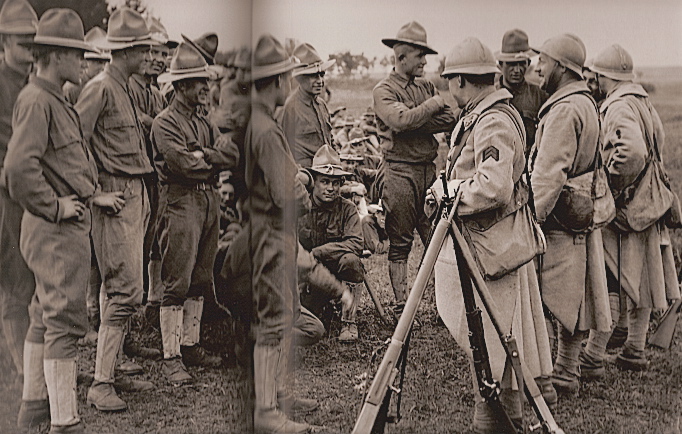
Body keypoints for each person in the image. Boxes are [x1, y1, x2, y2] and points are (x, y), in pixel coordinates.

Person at [5, 9, 124, 432]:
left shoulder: (51, 97)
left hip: (58, 229)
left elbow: (64, 162)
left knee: (44, 314)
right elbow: (18, 170)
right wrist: (56, 207)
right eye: (78, 55)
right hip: (54, 229)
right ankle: (65, 421)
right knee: (65, 323)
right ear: (56, 56)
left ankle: (35, 406)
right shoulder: (38, 99)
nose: (84, 62)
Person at [432, 37, 554, 432]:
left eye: (451, 80)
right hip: (486, 243)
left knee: (495, 339)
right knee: (492, 339)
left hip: (491, 248)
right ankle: (498, 418)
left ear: (463, 81)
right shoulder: (483, 114)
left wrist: (447, 192)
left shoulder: (494, 121)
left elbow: (493, 186)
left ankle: (497, 421)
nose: (449, 89)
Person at [75, 7, 158, 412]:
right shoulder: (100, 87)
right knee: (127, 290)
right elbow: (75, 143)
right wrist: (94, 194)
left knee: (120, 289)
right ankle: (100, 383)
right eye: (142, 49)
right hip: (115, 196)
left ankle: (116, 365)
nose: (148, 55)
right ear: (124, 52)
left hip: (134, 193)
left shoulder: (124, 86)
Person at [579, 44, 679, 376]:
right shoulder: (640, 101)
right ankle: (634, 350)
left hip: (628, 207)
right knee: (644, 275)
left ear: (603, 76)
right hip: (649, 202)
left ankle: (593, 355)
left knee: (610, 277)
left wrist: (614, 187)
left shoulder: (619, 106)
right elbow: (658, 143)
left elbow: (632, 152)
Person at [151, 41, 237, 385]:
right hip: (180, 202)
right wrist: (206, 158)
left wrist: (205, 155)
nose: (206, 87)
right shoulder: (164, 123)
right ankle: (171, 358)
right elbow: (183, 165)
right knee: (177, 280)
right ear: (181, 86)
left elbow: (229, 153)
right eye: (199, 82)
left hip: (207, 203)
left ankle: (191, 345)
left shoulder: (204, 121)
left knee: (201, 278)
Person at [530, 33, 611, 395]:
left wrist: (529, 219)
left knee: (548, 297)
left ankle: (546, 377)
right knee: (574, 296)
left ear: (561, 67)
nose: (537, 67)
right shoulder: (585, 102)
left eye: (543, 61)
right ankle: (566, 371)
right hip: (578, 211)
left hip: (558, 216)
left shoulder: (564, 109)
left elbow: (549, 174)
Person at [247, 33, 317, 433]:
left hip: (266, 234)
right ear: (275, 82)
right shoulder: (268, 131)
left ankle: (274, 396)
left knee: (282, 313)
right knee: (275, 320)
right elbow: (286, 195)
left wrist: (298, 179)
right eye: (286, 78)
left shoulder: (258, 123)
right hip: (272, 235)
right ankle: (267, 413)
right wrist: (301, 187)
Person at [374, 21, 457, 318]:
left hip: (427, 171)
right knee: (400, 242)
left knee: (437, 239)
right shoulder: (383, 90)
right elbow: (398, 123)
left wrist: (415, 118)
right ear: (402, 57)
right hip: (399, 173)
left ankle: (443, 307)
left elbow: (448, 118)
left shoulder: (427, 86)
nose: (425, 62)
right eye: (420, 56)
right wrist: (430, 107)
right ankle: (401, 308)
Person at [0, 0, 37, 393]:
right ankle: (21, 368)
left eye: (34, 45)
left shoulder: (31, 82)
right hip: (6, 194)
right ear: (5, 40)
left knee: (33, 277)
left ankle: (31, 359)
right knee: (15, 281)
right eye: (23, 44)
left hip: (31, 190)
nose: (30, 53)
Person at [298, 145, 364, 342]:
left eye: (335, 183)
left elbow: (355, 243)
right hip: (309, 276)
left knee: (351, 261)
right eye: (324, 182)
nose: (330, 188)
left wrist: (320, 252)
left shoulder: (348, 209)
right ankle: (322, 307)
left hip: (338, 270)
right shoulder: (300, 207)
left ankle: (349, 322)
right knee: (311, 321)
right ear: (313, 183)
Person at [281, 42, 336, 168]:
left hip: (328, 172)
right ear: (300, 78)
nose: (320, 81)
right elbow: (284, 149)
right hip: (306, 175)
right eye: (313, 76)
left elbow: (330, 140)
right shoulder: (290, 107)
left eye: (322, 75)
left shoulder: (322, 105)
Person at [495, 29, 548, 155]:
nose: (517, 70)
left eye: (521, 64)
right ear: (500, 65)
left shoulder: (540, 95)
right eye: (511, 64)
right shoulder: (491, 96)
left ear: (528, 63)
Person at [63, 26, 110, 105]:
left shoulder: (105, 87)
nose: (103, 67)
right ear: (85, 61)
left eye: (105, 62)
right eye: (98, 62)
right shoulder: (73, 88)